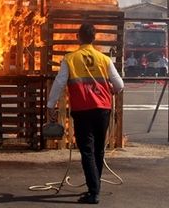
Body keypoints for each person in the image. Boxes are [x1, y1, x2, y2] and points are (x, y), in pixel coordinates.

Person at [47, 24, 124, 204]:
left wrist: (51, 104)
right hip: (103, 109)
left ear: (77, 37)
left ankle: (93, 192)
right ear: (94, 38)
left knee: (87, 150)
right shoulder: (104, 59)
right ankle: (95, 186)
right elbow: (119, 85)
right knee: (98, 150)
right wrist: (110, 92)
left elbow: (59, 84)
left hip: (83, 110)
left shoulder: (70, 59)